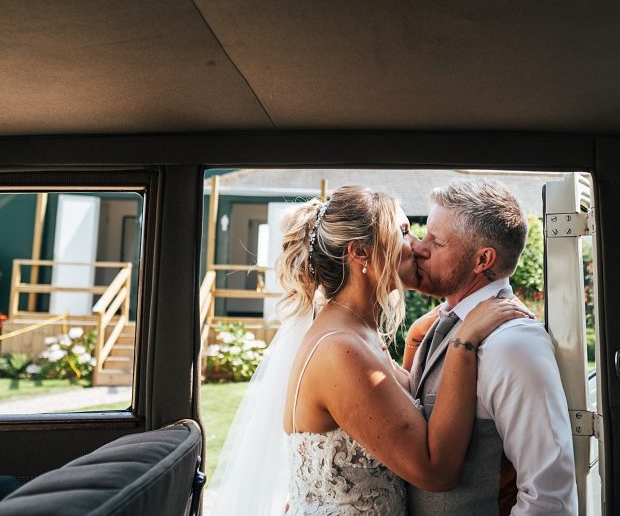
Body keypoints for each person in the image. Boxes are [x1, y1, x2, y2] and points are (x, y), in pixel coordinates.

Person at [211, 185, 531, 515]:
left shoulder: (357, 330)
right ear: (361, 252)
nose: (418, 247)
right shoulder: (341, 350)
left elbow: (393, 410)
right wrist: (463, 344)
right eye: (404, 232)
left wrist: (418, 340)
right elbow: (436, 472)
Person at [406, 179, 578, 515]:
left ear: (482, 259)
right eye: (424, 234)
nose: (419, 248)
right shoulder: (438, 324)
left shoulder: (513, 344)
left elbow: (549, 495)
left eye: (437, 242)